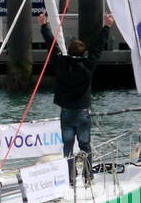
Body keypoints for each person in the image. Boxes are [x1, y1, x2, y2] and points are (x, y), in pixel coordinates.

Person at [35, 12, 113, 159]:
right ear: (84, 53)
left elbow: (52, 46)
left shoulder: (61, 63)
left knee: (68, 146)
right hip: (82, 112)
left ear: (69, 51)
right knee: (85, 145)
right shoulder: (88, 65)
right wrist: (107, 26)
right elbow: (98, 48)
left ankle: (70, 177)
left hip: (67, 112)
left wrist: (44, 25)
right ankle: (88, 176)